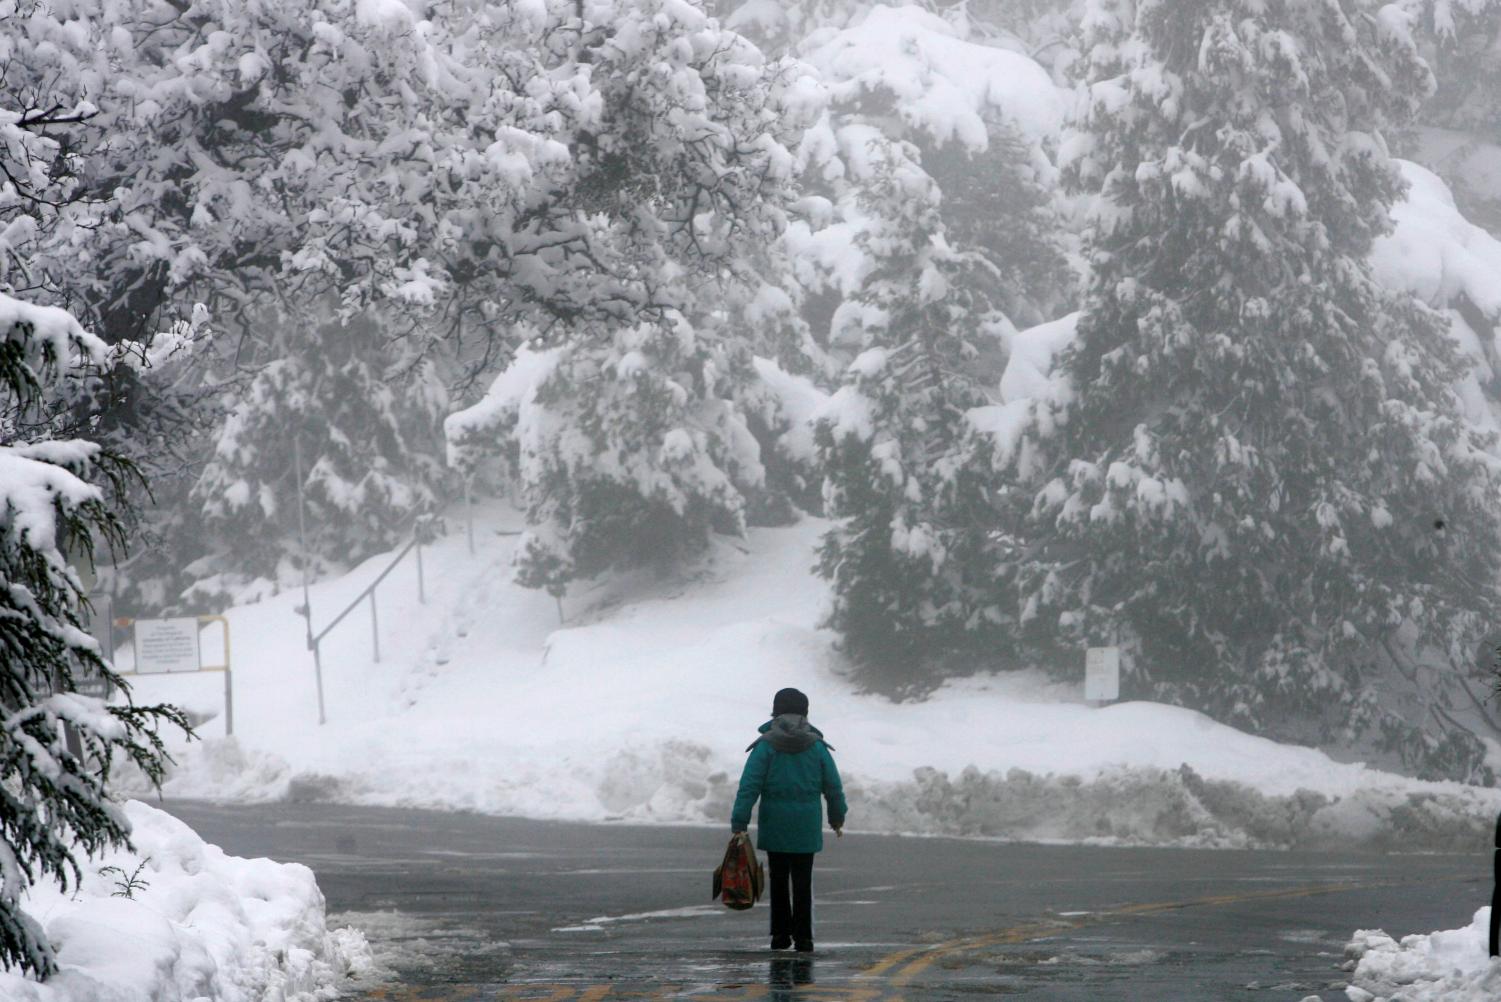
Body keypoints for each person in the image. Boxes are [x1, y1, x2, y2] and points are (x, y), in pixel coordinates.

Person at [731, 687, 847, 953]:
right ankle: (804, 937)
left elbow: (749, 786)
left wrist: (739, 822)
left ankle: (781, 935)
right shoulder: (817, 747)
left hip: (775, 824)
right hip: (806, 825)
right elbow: (833, 786)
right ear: (805, 712)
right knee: (803, 881)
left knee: (779, 880)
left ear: (776, 711)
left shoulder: (765, 746)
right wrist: (837, 817)